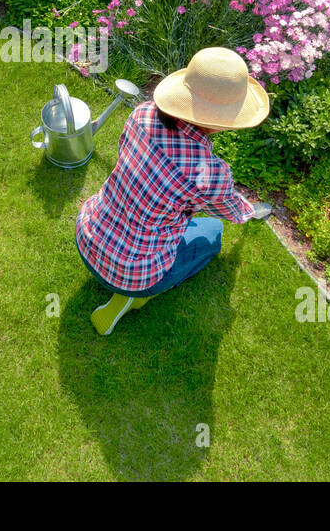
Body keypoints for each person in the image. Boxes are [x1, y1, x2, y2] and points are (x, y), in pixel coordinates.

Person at [75, 47, 275, 336]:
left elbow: (126, 157)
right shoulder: (210, 173)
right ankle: (132, 299)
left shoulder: (141, 114)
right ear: (224, 119)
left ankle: (125, 282)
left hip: (88, 236)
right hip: (132, 271)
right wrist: (248, 211)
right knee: (212, 234)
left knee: (181, 220)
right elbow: (229, 211)